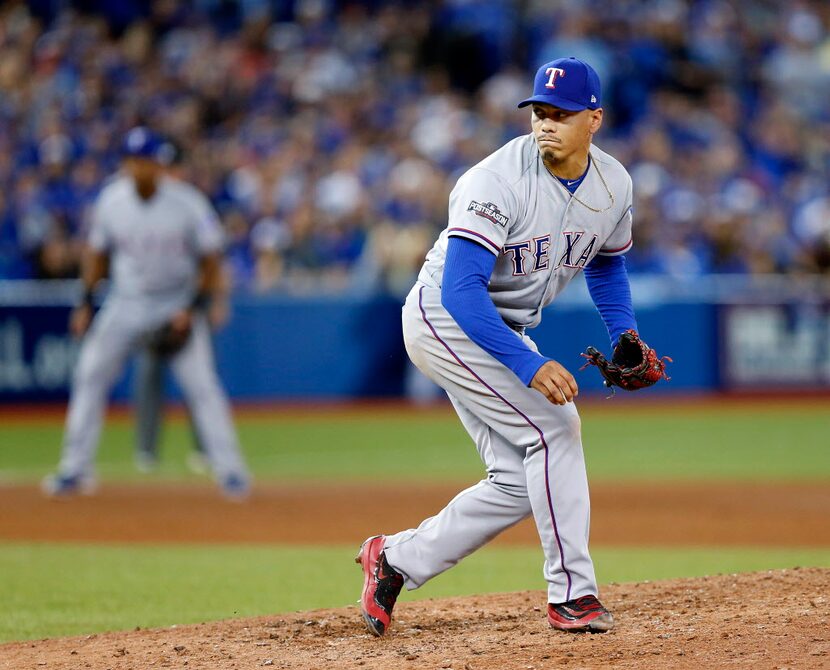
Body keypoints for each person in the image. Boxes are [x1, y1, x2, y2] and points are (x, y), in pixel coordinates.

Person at [356, 57, 650, 635]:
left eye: (561, 114)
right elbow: (462, 293)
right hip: (445, 317)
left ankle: (393, 559)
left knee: (520, 481)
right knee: (555, 427)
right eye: (540, 112)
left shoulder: (614, 184)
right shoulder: (495, 180)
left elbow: (609, 267)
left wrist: (625, 335)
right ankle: (573, 595)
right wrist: (528, 363)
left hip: (501, 328)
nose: (546, 124)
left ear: (595, 119)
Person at [42, 127, 250, 500]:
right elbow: (96, 254)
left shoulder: (188, 203)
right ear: (125, 164)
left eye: (149, 161)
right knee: (90, 374)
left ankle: (231, 471)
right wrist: (86, 302)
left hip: (175, 302)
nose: (142, 169)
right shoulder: (111, 201)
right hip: (126, 302)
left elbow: (211, 259)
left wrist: (195, 307)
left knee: (202, 387)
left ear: (160, 164)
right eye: (135, 161)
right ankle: (74, 468)